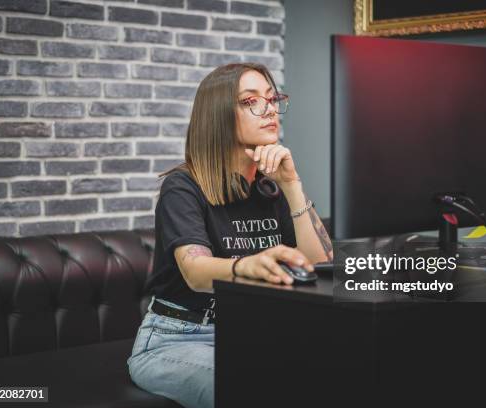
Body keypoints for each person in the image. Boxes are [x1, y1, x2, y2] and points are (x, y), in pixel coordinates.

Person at [127, 63, 333, 408]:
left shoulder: (270, 188)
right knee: (252, 388)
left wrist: (292, 185)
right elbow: (195, 272)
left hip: (252, 332)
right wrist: (245, 267)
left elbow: (322, 265)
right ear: (218, 115)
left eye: (271, 98)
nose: (268, 109)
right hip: (175, 340)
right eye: (251, 101)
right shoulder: (183, 187)